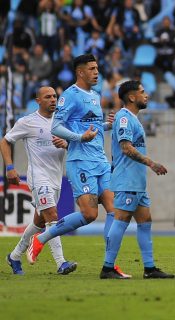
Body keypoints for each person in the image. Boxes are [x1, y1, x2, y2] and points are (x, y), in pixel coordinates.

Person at [26, 54, 129, 277]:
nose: (96, 72)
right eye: (92, 69)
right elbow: (56, 127)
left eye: (97, 68)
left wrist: (105, 126)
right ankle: (41, 237)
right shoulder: (70, 96)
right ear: (80, 72)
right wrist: (79, 138)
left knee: (114, 210)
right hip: (80, 162)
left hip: (101, 161)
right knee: (90, 214)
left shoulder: (94, 95)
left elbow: (89, 126)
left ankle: (109, 265)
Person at [100, 80, 174, 279]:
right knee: (121, 219)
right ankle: (107, 268)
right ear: (132, 97)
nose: (146, 95)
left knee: (145, 221)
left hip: (137, 182)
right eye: (142, 92)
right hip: (127, 179)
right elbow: (126, 147)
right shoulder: (124, 118)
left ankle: (149, 268)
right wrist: (151, 163)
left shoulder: (131, 117)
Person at [1, 87, 77, 275]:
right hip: (38, 178)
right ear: (38, 100)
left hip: (56, 179)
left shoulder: (63, 122)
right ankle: (61, 263)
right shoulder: (27, 122)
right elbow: (5, 141)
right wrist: (10, 167)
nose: (53, 100)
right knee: (52, 215)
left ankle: (14, 256)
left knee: (39, 223)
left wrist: (67, 144)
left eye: (54, 96)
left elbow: (76, 144)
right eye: (48, 97)